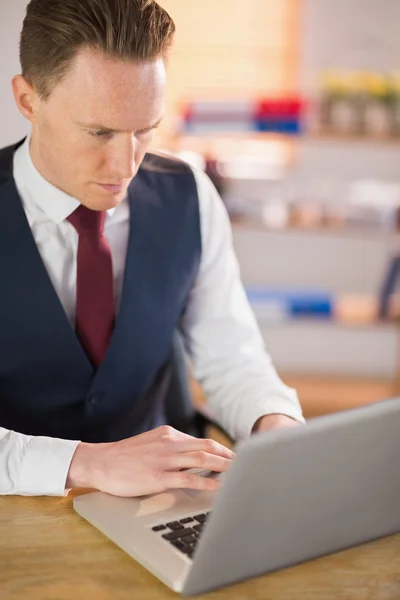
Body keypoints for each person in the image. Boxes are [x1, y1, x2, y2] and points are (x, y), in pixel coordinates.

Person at [0, 0, 304, 498]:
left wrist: (274, 423)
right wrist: (84, 463)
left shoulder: (190, 195)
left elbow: (231, 354)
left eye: (145, 129)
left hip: (168, 503)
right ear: (29, 100)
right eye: (99, 132)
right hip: (17, 512)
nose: (125, 163)